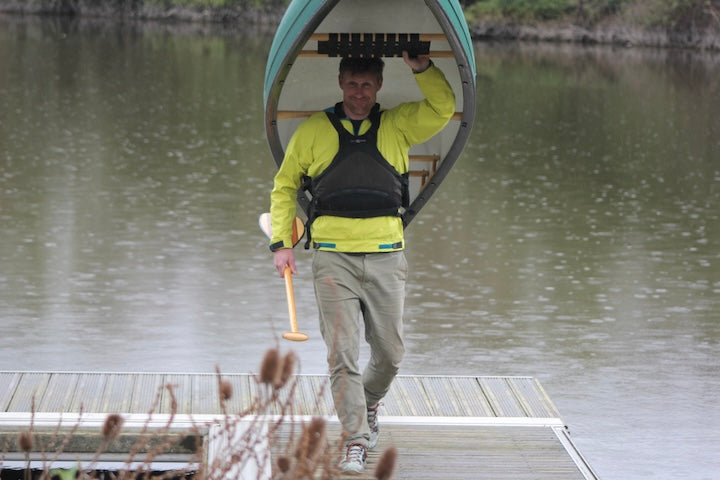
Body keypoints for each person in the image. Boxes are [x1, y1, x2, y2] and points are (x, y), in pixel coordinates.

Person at [269, 51, 455, 474]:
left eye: (366, 85)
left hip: (387, 257)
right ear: (340, 82)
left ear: (378, 87)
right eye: (352, 84)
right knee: (342, 355)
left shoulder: (397, 124)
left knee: (390, 354)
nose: (358, 93)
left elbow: (443, 108)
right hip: (333, 259)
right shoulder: (316, 129)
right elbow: (285, 186)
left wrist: (423, 69)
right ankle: (355, 439)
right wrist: (282, 244)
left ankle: (368, 403)